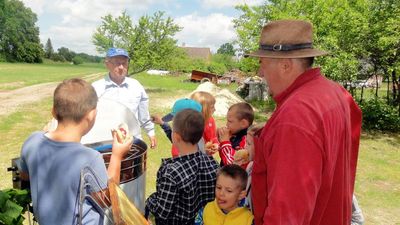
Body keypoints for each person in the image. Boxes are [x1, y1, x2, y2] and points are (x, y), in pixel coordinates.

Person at [245, 19, 362, 225]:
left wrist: (285, 135)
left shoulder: (295, 118)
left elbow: (286, 217)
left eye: (262, 63)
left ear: (285, 65)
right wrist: (272, 142)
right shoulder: (334, 92)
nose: (260, 73)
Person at [19, 78, 132, 225]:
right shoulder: (90, 158)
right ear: (92, 115)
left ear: (53, 111)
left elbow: (25, 176)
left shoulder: (32, 141)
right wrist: (117, 156)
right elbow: (106, 201)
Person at [145, 109, 219, 225]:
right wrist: (163, 124)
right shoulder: (212, 163)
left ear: (176, 136)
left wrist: (150, 200)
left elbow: (162, 212)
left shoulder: (171, 173)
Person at [92, 47, 156, 148]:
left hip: (132, 141)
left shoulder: (136, 86)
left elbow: (143, 114)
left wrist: (151, 132)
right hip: (105, 142)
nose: (121, 67)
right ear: (107, 64)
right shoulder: (96, 88)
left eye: (124, 63)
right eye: (117, 63)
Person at [218, 102, 254, 168]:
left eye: (230, 121)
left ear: (243, 123)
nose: (226, 124)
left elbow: (233, 164)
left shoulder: (247, 140)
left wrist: (225, 142)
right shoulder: (235, 135)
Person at [190, 91, 219, 155]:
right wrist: (203, 149)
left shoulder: (210, 120)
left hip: (206, 157)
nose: (215, 109)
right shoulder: (191, 125)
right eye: (212, 107)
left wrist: (216, 144)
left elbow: (213, 137)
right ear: (203, 109)